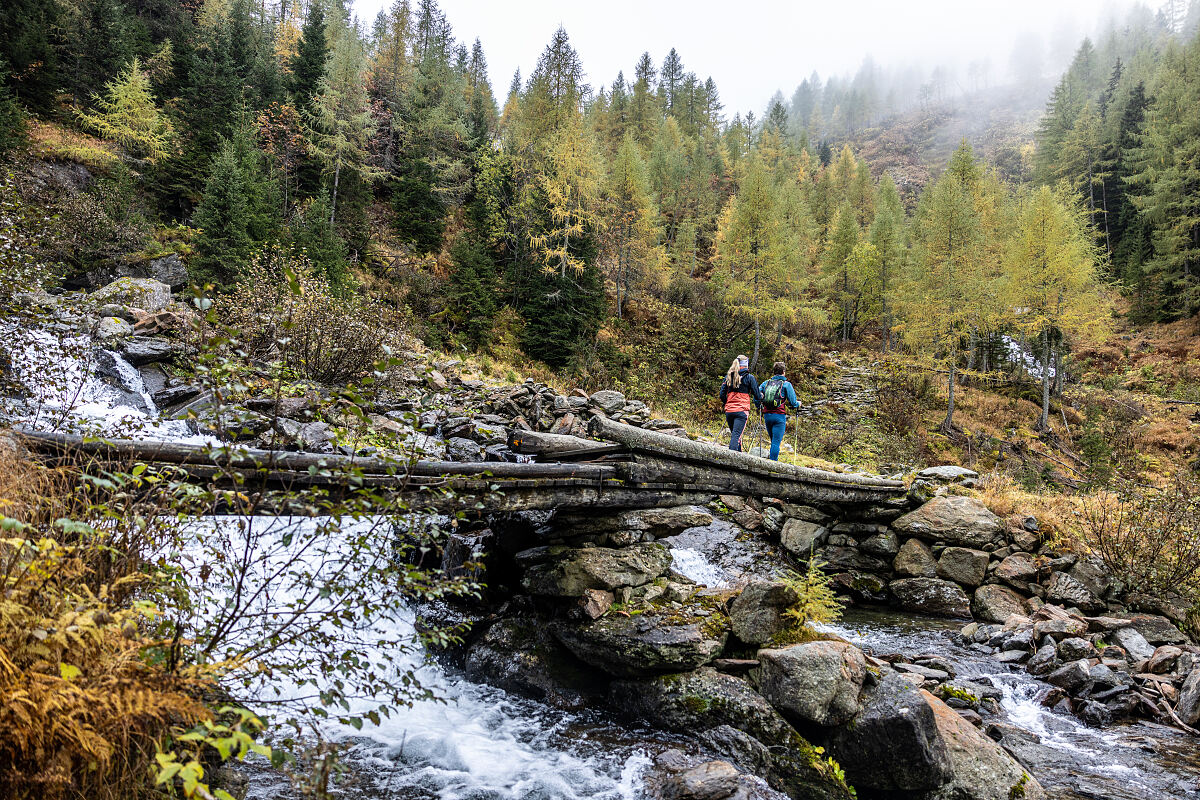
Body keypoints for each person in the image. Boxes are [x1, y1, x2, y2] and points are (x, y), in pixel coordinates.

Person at [759, 361, 802, 461]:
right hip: (779, 416)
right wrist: (798, 404)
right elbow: (793, 402)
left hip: (767, 416)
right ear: (783, 371)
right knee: (776, 442)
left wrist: (759, 405)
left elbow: (757, 393)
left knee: (773, 441)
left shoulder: (766, 383)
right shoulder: (786, 384)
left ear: (774, 371)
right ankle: (772, 465)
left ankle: (772, 461)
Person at [719, 355, 760, 452]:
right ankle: (730, 460)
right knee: (736, 436)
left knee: (736, 436)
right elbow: (757, 394)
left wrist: (728, 403)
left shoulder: (728, 377)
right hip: (741, 411)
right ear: (746, 365)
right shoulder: (749, 378)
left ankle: (738, 456)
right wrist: (761, 398)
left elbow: (721, 394)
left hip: (729, 411)